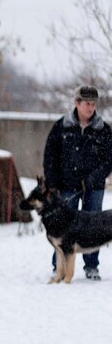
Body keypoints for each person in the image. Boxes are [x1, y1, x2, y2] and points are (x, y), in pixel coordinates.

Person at [43, 84, 112, 281]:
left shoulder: (103, 129)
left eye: (93, 104)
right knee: (61, 226)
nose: (90, 108)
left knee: (95, 227)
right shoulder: (61, 126)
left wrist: (95, 178)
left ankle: (91, 266)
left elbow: (109, 160)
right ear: (76, 103)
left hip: (94, 187)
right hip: (66, 187)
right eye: (87, 104)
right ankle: (59, 267)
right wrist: (53, 182)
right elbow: (50, 157)